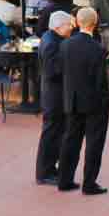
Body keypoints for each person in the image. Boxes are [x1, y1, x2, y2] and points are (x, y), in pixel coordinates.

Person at [59, 8, 109, 195]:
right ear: (94, 23)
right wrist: (107, 101)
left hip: (72, 99)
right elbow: (101, 81)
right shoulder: (97, 48)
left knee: (71, 140)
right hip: (93, 102)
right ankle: (89, 182)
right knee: (94, 143)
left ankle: (64, 178)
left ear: (78, 22)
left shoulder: (66, 45)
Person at [36, 11, 76, 186]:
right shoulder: (51, 43)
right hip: (54, 95)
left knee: (56, 133)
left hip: (56, 94)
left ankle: (51, 168)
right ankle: (45, 171)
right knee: (51, 133)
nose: (71, 27)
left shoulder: (52, 39)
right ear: (59, 26)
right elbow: (53, 69)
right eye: (68, 24)